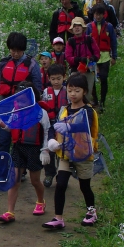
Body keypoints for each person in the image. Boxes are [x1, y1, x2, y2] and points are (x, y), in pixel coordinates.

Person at [42, 73, 100, 229]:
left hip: (83, 154)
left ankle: (91, 212)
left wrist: (69, 126)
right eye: (70, 90)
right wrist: (52, 140)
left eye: (77, 90)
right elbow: (55, 127)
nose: (73, 94)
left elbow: (85, 126)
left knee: (84, 185)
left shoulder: (88, 110)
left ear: (84, 92)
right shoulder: (64, 110)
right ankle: (58, 218)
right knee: (60, 184)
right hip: (66, 154)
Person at [0, 81, 50, 224]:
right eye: (18, 98)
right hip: (18, 147)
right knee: (14, 181)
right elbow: (10, 127)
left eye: (23, 98)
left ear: (32, 97)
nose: (20, 101)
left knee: (35, 180)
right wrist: (1, 123)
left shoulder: (41, 113)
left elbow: (46, 133)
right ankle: (10, 211)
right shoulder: (16, 111)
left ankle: (40, 202)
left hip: (34, 149)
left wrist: (45, 151)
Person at [0, 32, 43, 152]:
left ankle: (19, 168)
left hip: (23, 107)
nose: (16, 53)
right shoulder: (3, 64)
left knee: (20, 141)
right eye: (13, 50)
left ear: (23, 49)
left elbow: (38, 88)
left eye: (19, 51)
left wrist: (36, 107)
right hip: (4, 105)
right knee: (2, 141)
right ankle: (3, 167)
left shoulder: (32, 65)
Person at [39, 63, 68, 187]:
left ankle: (63, 175)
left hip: (63, 125)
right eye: (53, 79)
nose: (56, 81)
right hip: (50, 125)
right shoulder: (46, 92)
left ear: (64, 77)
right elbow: (43, 107)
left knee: (64, 149)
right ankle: (49, 174)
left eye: (59, 78)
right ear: (48, 78)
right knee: (49, 148)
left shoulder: (67, 91)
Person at [87, 4, 118, 112]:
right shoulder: (89, 27)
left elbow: (113, 42)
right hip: (92, 57)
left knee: (104, 78)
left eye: (100, 14)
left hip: (105, 56)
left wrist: (114, 56)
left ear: (103, 14)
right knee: (92, 80)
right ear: (93, 15)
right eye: (96, 14)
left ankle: (102, 101)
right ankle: (94, 99)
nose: (98, 16)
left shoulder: (109, 26)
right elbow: (86, 42)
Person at [65, 16, 100, 96]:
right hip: (75, 70)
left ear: (83, 28)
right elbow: (68, 57)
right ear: (72, 29)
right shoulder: (70, 42)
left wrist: (92, 58)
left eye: (79, 26)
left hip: (88, 70)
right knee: (75, 94)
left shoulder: (89, 39)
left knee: (86, 94)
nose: (77, 28)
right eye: (74, 26)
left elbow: (97, 53)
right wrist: (79, 59)